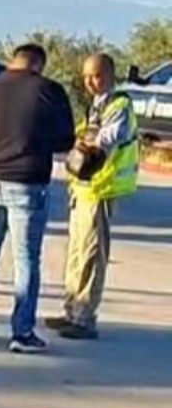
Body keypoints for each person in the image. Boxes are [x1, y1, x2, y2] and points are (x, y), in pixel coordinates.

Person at [0, 44, 75, 353]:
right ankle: (22, 332)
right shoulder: (49, 91)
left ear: (13, 61)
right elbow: (67, 139)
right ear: (39, 64)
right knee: (26, 259)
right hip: (27, 182)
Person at [48, 53, 139, 340]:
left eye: (96, 76)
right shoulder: (95, 107)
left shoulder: (118, 105)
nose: (90, 82)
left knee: (91, 255)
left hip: (100, 189)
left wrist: (86, 145)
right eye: (86, 76)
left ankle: (85, 318)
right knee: (76, 253)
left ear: (111, 76)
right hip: (83, 189)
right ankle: (72, 309)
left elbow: (108, 138)